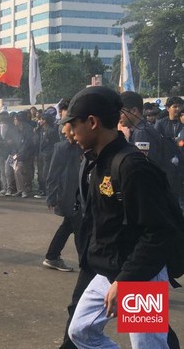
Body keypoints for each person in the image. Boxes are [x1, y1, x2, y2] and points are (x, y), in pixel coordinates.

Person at [60, 86, 181, 348]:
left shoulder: (132, 166)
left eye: (73, 124)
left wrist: (127, 281)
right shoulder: (97, 161)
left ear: (92, 122)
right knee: (80, 331)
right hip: (109, 268)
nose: (67, 131)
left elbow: (159, 232)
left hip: (141, 273)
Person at [43, 106, 81, 272]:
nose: (64, 131)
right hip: (68, 196)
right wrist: (51, 197)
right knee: (80, 229)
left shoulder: (84, 146)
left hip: (81, 196)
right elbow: (53, 174)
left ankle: (52, 256)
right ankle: (88, 265)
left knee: (69, 226)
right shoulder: (61, 148)